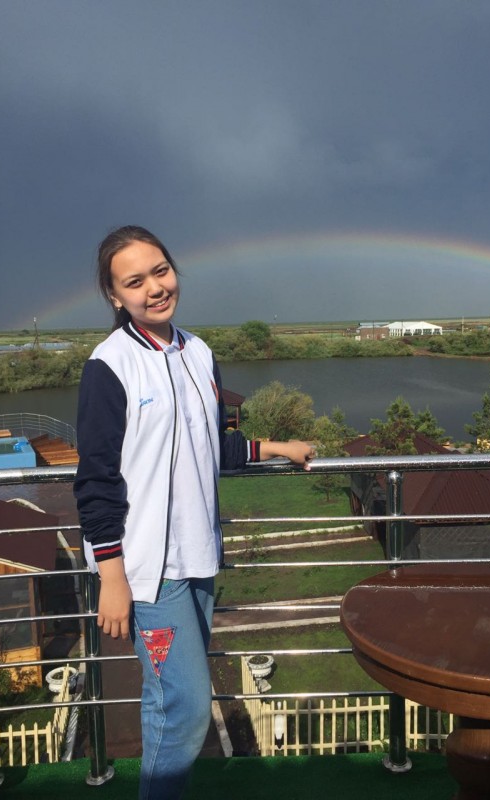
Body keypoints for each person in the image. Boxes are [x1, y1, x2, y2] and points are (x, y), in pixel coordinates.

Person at [73, 225, 314, 800]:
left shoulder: (198, 352)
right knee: (182, 707)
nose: (155, 288)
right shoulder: (109, 366)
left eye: (161, 271)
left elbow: (209, 444)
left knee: (173, 699)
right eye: (135, 281)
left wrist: (274, 447)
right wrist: (112, 577)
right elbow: (95, 480)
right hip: (146, 571)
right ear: (115, 296)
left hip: (199, 556)